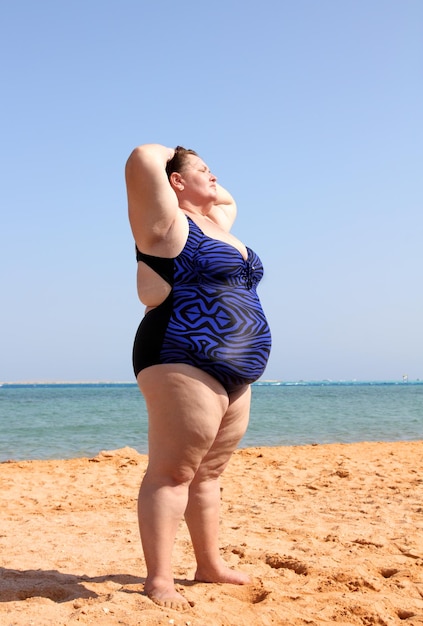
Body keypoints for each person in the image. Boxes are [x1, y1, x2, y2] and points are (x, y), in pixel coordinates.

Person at [125, 143, 271, 609]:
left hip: (237, 368)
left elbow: (225, 198)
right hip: (181, 352)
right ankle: (160, 579)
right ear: (174, 183)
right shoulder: (165, 227)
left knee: (208, 474)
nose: (215, 177)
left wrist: (198, 175)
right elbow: (143, 158)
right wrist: (180, 155)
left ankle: (208, 565)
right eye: (203, 171)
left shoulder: (219, 224)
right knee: (172, 473)